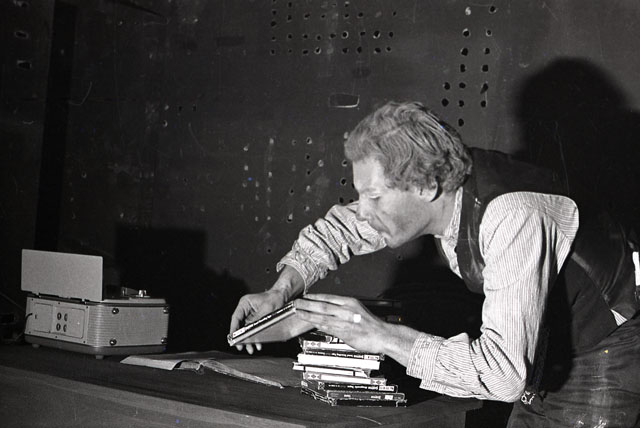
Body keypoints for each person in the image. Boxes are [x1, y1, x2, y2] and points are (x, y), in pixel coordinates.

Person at [229, 101, 640, 427]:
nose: (363, 211)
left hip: (603, 347)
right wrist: (280, 292)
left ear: (427, 186)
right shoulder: (438, 187)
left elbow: (503, 375)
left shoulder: (511, 215)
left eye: (374, 197)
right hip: (547, 345)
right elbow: (340, 231)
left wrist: (381, 336)